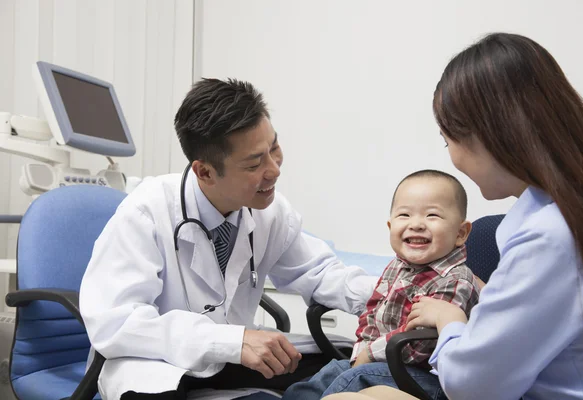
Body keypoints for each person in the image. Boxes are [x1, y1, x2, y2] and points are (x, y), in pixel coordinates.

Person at [325, 32, 583, 400]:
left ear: (491, 133)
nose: (452, 156)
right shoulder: (564, 215)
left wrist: (451, 321)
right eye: (404, 214)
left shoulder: (550, 236)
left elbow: (474, 386)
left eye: (448, 140)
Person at [79, 78, 378, 400]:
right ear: (205, 172)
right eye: (254, 163)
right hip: (156, 363)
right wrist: (228, 341)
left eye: (274, 148)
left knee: (351, 367)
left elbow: (318, 273)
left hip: (233, 358)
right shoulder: (145, 212)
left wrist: (395, 294)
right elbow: (115, 324)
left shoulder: (270, 211)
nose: (274, 169)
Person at [282, 170, 480, 400]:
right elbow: (372, 312)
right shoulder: (397, 266)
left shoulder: (456, 280)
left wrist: (369, 354)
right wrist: (360, 353)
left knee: (354, 378)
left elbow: (418, 344)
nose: (416, 224)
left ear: (461, 233)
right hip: (385, 363)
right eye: (404, 215)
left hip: (433, 379)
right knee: (327, 374)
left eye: (432, 215)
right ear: (390, 226)